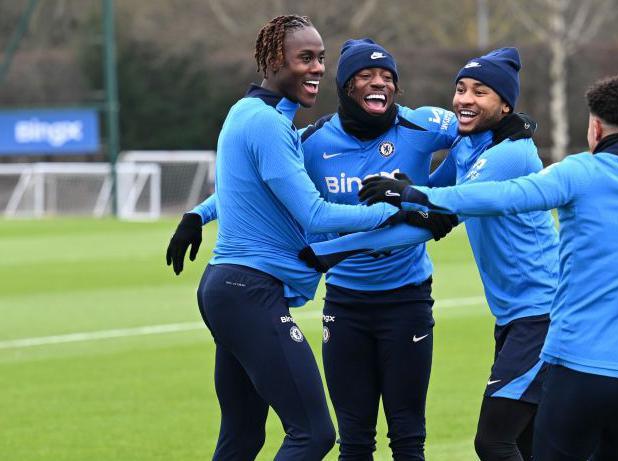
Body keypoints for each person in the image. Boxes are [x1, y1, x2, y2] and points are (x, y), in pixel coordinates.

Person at [359, 75, 618, 461]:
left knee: (509, 444)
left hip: (579, 370)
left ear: (595, 128)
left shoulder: (578, 173)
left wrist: (414, 193)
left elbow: (504, 196)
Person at [169, 38, 462, 460]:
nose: (378, 83)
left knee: (408, 438)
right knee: (351, 440)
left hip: (408, 297)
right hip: (344, 300)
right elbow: (263, 183)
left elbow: (478, 131)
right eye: (365, 75)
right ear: (346, 87)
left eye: (387, 77)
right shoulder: (312, 141)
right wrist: (199, 213)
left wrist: (514, 126)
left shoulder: (425, 126)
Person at [302, 48, 558, 461]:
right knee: (529, 441)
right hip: (514, 316)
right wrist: (411, 200)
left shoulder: (508, 154)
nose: (465, 99)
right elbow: (429, 213)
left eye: (481, 91)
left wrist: (338, 248)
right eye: (461, 89)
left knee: (494, 442)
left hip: (541, 314)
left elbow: (446, 204)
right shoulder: (467, 147)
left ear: (505, 103)